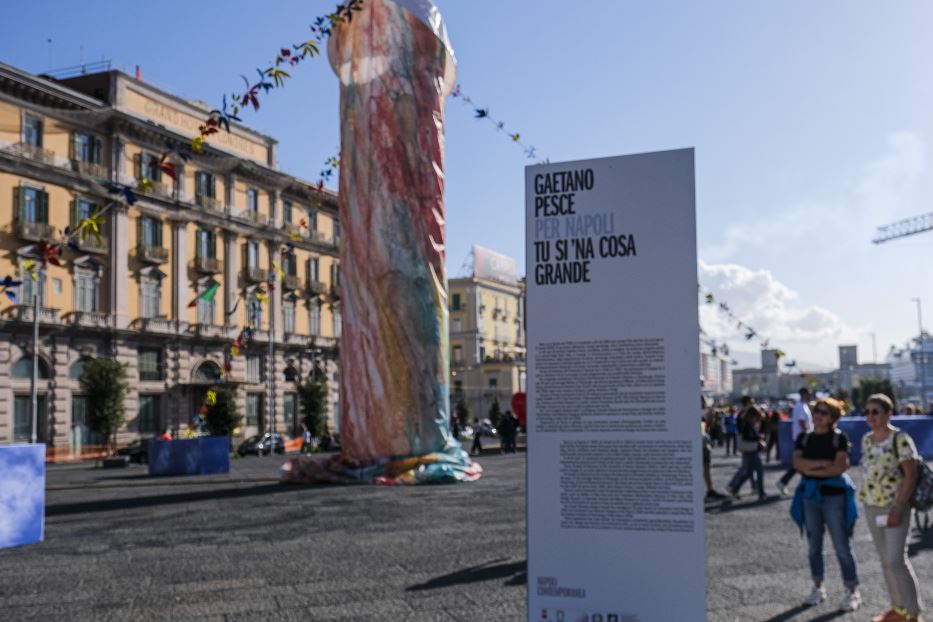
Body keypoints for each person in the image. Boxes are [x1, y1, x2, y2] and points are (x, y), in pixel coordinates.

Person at [789, 397, 861, 612]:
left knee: (841, 545)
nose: (818, 415)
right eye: (816, 410)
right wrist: (822, 464)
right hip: (810, 497)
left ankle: (852, 590)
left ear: (833, 418)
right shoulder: (804, 438)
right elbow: (797, 464)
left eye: (824, 412)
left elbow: (839, 468)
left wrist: (810, 469)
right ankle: (818, 587)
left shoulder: (838, 439)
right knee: (813, 546)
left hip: (834, 497)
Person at [859, 393, 924, 622]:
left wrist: (898, 508)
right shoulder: (866, 439)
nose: (870, 416)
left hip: (896, 507)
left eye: (875, 411)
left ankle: (913, 613)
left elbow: (911, 475)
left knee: (896, 560)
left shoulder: (900, 439)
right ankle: (898, 608)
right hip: (872, 507)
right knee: (885, 561)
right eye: (866, 412)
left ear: (889, 414)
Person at [778, 387, 813, 496]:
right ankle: (784, 482)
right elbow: (802, 423)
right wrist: (809, 436)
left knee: (801, 464)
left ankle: (784, 482)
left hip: (803, 438)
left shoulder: (803, 406)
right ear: (803, 394)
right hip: (803, 439)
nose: (810, 395)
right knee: (801, 463)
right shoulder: (800, 406)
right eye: (808, 393)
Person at [727, 405, 766, 501]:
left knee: (748, 473)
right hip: (752, 452)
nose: (757, 419)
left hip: (749, 452)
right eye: (756, 417)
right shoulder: (748, 425)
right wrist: (758, 438)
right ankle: (761, 493)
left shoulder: (746, 423)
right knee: (759, 472)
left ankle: (735, 489)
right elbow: (746, 437)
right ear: (752, 416)